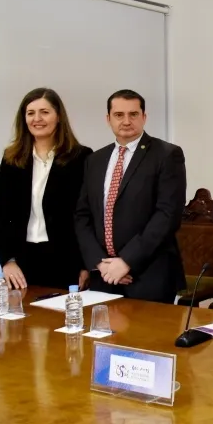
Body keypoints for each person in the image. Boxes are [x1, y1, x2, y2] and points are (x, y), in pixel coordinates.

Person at [74, 89, 187, 303]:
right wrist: (100, 263)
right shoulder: (95, 160)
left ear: (144, 117)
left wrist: (126, 261)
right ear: (108, 119)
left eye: (133, 114)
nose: (126, 121)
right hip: (104, 277)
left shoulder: (166, 155)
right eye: (119, 115)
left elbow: (167, 215)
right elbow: (82, 215)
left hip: (149, 276)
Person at [0, 88, 93, 291]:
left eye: (44, 112)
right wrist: (7, 260)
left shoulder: (80, 157)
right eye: (30, 113)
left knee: (64, 312)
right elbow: (0, 213)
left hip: (67, 260)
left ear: (58, 116)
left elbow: (89, 214)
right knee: (23, 311)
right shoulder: (12, 158)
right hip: (22, 261)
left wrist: (85, 264)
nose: (37, 119)